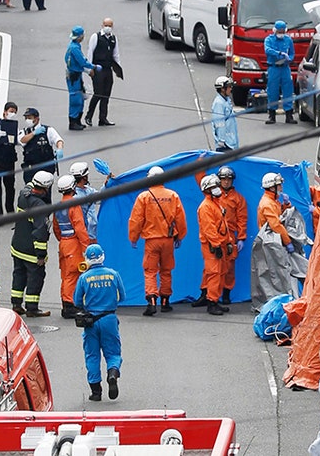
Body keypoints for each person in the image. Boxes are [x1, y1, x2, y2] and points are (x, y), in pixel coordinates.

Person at [128, 165, 188, 316]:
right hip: (168, 240)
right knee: (166, 270)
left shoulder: (144, 197)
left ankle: (152, 301)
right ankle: (165, 302)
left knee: (150, 271)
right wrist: (180, 236)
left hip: (151, 240)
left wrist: (133, 238)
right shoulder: (172, 195)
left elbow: (136, 220)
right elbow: (180, 219)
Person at [74, 244, 125, 402]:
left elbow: (77, 301)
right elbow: (122, 297)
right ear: (102, 256)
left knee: (92, 355)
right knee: (113, 353)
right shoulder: (113, 274)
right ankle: (112, 373)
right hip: (109, 319)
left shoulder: (84, 278)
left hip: (91, 321)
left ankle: (96, 391)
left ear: (87, 259)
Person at [10, 171, 54, 317]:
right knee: (35, 278)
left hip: (17, 246)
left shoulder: (23, 195)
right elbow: (40, 233)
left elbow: (29, 186)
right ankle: (32, 308)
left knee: (19, 274)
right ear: (46, 189)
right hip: (30, 251)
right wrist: (41, 255)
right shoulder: (40, 206)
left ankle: (16, 304)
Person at [53, 174, 92, 319]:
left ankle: (66, 303)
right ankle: (70, 305)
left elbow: (56, 228)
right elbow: (80, 228)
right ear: (72, 187)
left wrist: (63, 241)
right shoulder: (74, 205)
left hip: (64, 242)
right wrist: (86, 247)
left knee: (65, 276)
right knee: (73, 275)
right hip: (73, 243)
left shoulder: (58, 206)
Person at [194, 174, 231, 316]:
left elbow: (223, 226)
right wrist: (216, 245)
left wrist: (227, 242)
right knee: (214, 273)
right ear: (207, 190)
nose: (218, 189)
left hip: (219, 244)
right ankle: (212, 302)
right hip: (212, 246)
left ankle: (214, 299)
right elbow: (209, 229)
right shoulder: (206, 207)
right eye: (214, 186)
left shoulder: (216, 204)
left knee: (220, 273)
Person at [217, 166, 247, 304]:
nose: (226, 182)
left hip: (230, 237)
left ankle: (226, 293)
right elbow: (201, 181)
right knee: (212, 267)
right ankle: (208, 294)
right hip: (215, 235)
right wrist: (200, 162)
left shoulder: (238, 199)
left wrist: (241, 237)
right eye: (223, 179)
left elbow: (242, 219)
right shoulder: (214, 195)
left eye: (229, 179)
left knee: (229, 267)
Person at [86, 19, 123, 127]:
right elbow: (90, 52)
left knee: (106, 95)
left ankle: (103, 118)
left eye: (110, 25)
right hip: (98, 69)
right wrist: (90, 68)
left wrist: (118, 69)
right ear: (102, 25)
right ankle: (89, 116)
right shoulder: (96, 37)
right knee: (98, 93)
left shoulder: (113, 39)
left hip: (108, 69)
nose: (108, 27)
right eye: (106, 25)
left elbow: (116, 55)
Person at [18, 107, 63, 188]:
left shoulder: (48, 130)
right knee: (30, 192)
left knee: (46, 194)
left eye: (30, 118)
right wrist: (34, 133)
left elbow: (58, 140)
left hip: (46, 167)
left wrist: (59, 149)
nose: (27, 120)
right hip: (31, 167)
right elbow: (22, 140)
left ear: (37, 119)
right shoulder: (24, 132)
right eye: (26, 118)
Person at [65, 27, 100, 131]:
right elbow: (82, 61)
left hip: (76, 75)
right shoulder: (74, 48)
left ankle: (77, 121)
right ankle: (73, 121)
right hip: (74, 76)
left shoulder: (74, 46)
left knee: (80, 97)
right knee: (76, 99)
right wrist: (93, 67)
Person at [264, 21, 297, 125]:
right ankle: (272, 115)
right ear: (275, 30)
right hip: (274, 67)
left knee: (288, 91)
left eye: (283, 31)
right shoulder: (269, 39)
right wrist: (278, 53)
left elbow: (292, 53)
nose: (281, 33)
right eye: (279, 31)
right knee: (272, 91)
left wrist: (289, 59)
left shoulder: (288, 40)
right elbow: (267, 50)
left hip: (285, 67)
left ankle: (289, 115)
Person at [257, 172, 294, 252]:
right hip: (270, 242)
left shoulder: (273, 201)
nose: (281, 188)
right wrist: (288, 242)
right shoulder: (268, 204)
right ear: (272, 188)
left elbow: (280, 214)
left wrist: (286, 205)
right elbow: (276, 225)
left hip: (275, 240)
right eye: (279, 185)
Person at [70, 161, 101, 242]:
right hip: (86, 236)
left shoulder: (87, 190)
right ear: (84, 177)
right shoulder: (77, 197)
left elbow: (101, 197)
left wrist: (107, 184)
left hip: (92, 234)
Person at [211, 76, 239, 151]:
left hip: (231, 142)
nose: (231, 89)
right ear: (222, 89)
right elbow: (219, 123)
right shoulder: (219, 103)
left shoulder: (227, 101)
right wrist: (221, 141)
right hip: (225, 144)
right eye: (229, 87)